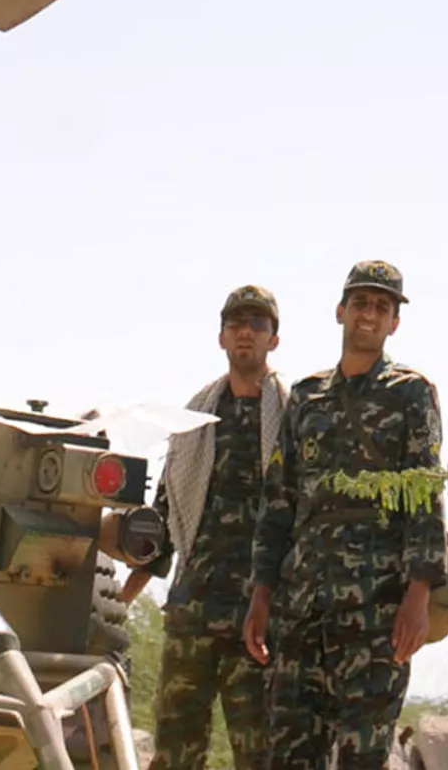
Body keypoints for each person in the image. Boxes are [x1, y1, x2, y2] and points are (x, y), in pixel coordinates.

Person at [243, 260, 447, 770]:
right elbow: (279, 501)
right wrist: (262, 594)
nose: (368, 314)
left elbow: (424, 493)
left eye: (381, 307)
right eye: (360, 303)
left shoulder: (411, 392)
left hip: (375, 614)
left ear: (394, 322)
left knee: (362, 758)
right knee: (287, 757)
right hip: (302, 611)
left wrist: (419, 594)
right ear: (341, 311)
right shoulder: (307, 397)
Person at [123, 284, 290, 770]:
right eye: (236, 323)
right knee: (175, 754)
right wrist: (121, 601)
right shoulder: (196, 418)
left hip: (259, 619)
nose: (246, 332)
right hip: (193, 614)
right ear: (221, 337)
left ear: (274, 339)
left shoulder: (294, 416)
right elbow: (166, 519)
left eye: (257, 324)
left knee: (260, 755)